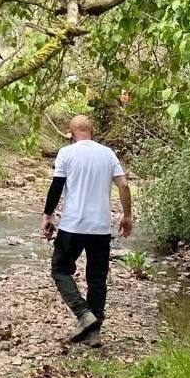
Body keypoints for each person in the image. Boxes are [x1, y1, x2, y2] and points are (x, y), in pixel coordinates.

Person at [41, 114, 132, 346]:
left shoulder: (67, 153)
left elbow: (57, 186)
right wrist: (127, 215)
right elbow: (123, 185)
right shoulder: (108, 153)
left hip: (73, 225)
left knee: (60, 269)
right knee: (97, 278)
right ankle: (94, 333)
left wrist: (47, 215)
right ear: (91, 131)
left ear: (71, 133)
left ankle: (83, 314)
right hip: (100, 227)